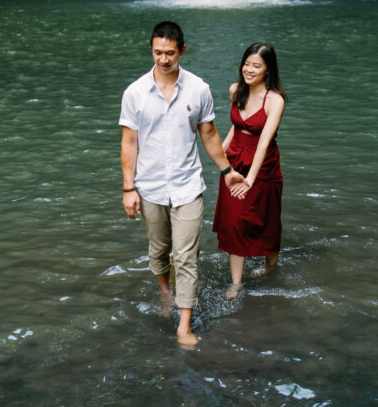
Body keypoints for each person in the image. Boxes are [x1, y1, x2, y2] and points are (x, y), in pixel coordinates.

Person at [120, 21, 244, 346]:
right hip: (149, 188)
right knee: (159, 250)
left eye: (170, 53)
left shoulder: (198, 89)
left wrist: (227, 169)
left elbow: (209, 134)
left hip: (188, 185)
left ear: (182, 51)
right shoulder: (135, 93)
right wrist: (128, 188)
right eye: (158, 52)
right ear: (152, 50)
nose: (163, 59)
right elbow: (129, 142)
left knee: (186, 256)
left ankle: (183, 326)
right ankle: (164, 290)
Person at [212, 42, 288, 299]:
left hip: (263, 165)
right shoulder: (236, 90)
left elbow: (264, 141)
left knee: (266, 220)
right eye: (246, 63)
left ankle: (270, 268)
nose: (249, 69)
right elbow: (237, 126)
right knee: (235, 222)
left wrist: (251, 180)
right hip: (235, 160)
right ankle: (236, 283)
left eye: (256, 65)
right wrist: (220, 154)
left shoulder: (275, 99)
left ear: (267, 70)